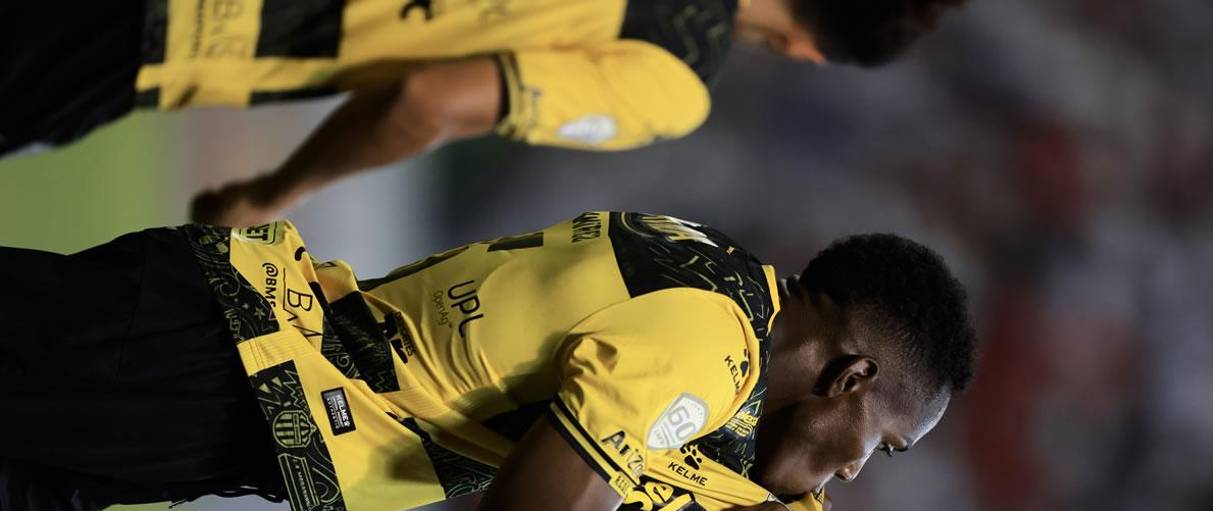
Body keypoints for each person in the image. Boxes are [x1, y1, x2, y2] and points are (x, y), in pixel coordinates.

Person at [0, 211, 976, 511]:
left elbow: (652, 451)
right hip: (210, 372)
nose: (851, 473)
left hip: (224, 357)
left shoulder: (717, 285)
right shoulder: (706, 352)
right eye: (879, 448)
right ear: (850, 379)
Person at [1, 0, 968, 224]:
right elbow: (429, 100)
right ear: (814, 50)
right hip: (188, 26)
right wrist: (278, 187)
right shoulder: (668, 75)